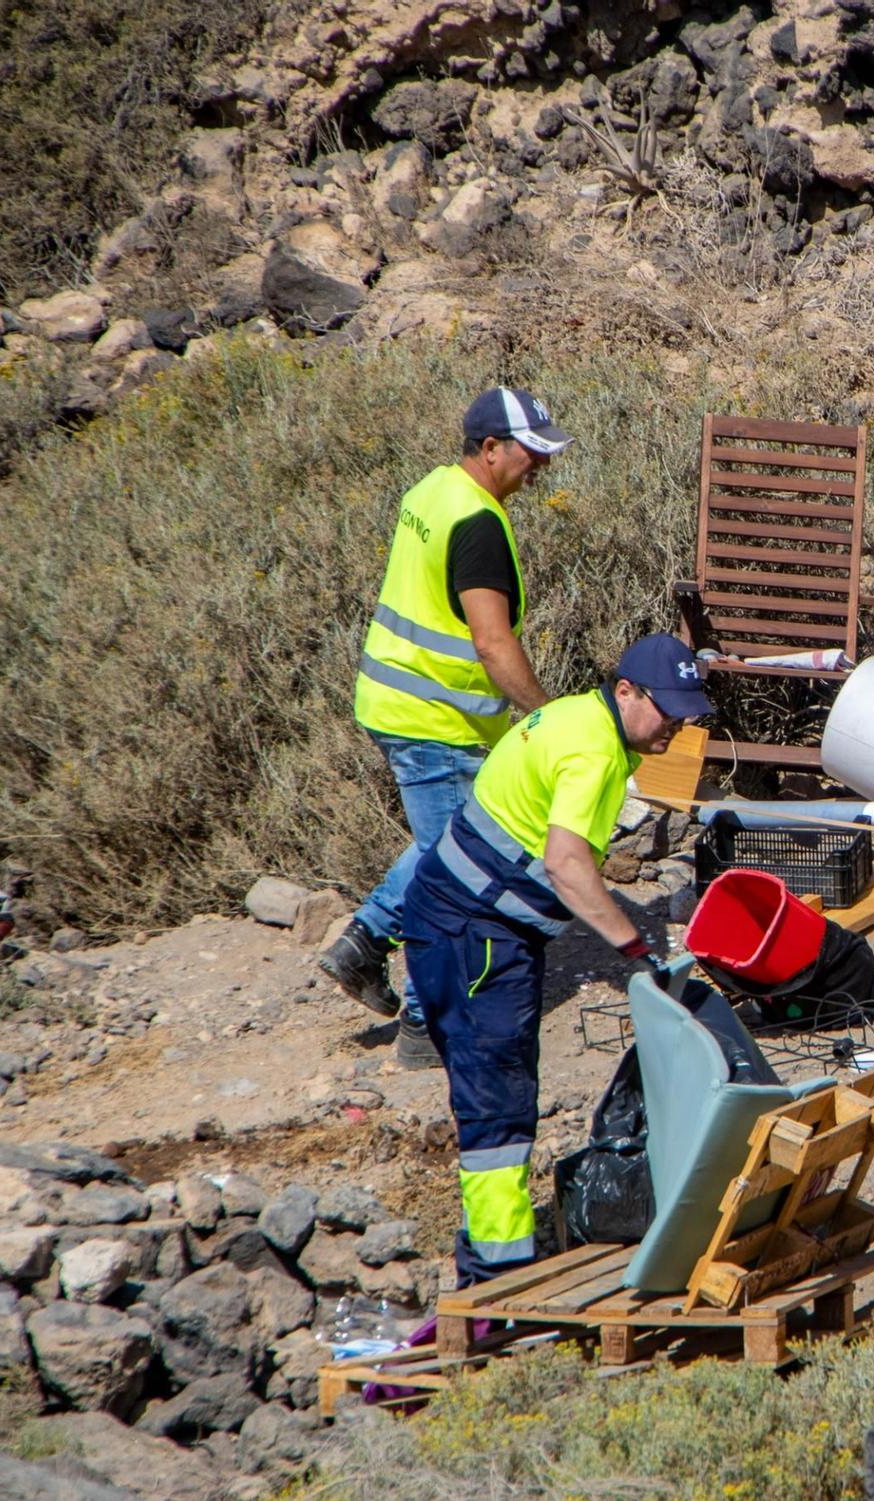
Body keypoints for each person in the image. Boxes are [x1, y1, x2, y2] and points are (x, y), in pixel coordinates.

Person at [400, 633, 714, 1286]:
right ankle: (497, 1281)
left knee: (497, 1093)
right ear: (625, 690)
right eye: (669, 711)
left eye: (687, 715)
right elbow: (567, 867)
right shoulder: (595, 748)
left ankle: (493, 1258)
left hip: (462, 919)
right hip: (475, 933)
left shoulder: (579, 717)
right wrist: (634, 944)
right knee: (498, 1103)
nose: (676, 728)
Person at [319, 387, 571, 1067]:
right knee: (453, 873)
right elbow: (493, 644)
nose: (541, 466)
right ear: (490, 449)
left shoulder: (433, 489)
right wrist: (546, 717)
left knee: (445, 845)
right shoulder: (480, 524)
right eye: (532, 451)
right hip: (438, 721)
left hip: (396, 700)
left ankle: (365, 941)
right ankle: (425, 1029)